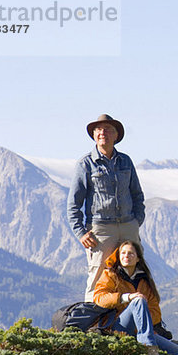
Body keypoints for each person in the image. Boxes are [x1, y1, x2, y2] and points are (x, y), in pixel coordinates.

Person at [67, 114, 146, 302]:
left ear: (116, 135)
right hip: (100, 229)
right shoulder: (85, 164)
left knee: (136, 271)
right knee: (98, 275)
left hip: (128, 225)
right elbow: (73, 204)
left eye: (108, 129)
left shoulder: (126, 161)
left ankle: (138, 317)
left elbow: (137, 194)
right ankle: (91, 323)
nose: (103, 133)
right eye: (99, 130)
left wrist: (136, 221)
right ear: (94, 135)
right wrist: (80, 232)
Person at [94, 240, 178, 355]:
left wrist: (143, 319)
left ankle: (149, 344)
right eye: (122, 253)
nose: (126, 256)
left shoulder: (144, 281)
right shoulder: (110, 275)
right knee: (138, 300)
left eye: (130, 253)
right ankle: (150, 348)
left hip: (142, 331)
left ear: (138, 258)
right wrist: (126, 297)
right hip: (118, 327)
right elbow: (99, 298)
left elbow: (155, 312)